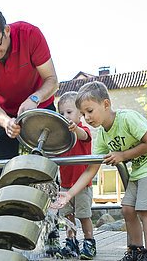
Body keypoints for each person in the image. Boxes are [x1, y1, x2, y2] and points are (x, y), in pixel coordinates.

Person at [0, 7, 60, 255]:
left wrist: (34, 98)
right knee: (5, 176)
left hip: (40, 105)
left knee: (46, 174)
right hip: (5, 115)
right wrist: (5, 121)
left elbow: (52, 80)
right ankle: (5, 240)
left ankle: (52, 237)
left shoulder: (31, 34)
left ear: (7, 31)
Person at [52, 81, 147, 261]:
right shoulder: (103, 135)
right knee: (127, 209)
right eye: (84, 114)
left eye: (90, 111)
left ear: (106, 104)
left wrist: (123, 155)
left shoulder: (127, 118)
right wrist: (69, 194)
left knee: (144, 210)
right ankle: (135, 251)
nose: (87, 117)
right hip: (140, 170)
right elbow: (91, 169)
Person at [56, 91, 96, 260]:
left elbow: (84, 136)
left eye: (69, 112)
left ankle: (89, 242)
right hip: (65, 185)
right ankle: (71, 242)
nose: (65, 116)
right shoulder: (61, 137)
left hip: (82, 185)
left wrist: (75, 128)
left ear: (80, 113)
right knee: (67, 217)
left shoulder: (83, 130)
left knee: (84, 215)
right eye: (62, 113)